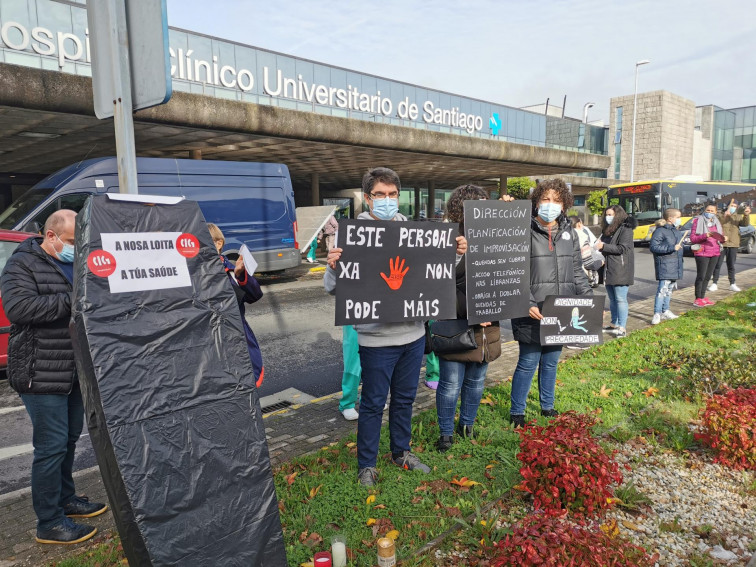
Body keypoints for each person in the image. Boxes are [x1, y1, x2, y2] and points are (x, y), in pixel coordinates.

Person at [324, 167, 467, 486]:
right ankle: (367, 464)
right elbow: (332, 287)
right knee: (374, 403)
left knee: (405, 399)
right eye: (380, 195)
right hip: (375, 339)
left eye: (392, 195)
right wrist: (333, 266)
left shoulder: (415, 233)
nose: (387, 200)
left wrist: (454, 256)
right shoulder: (352, 236)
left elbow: (435, 277)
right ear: (367, 198)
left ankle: (401, 452)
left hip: (413, 335)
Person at [0, 210, 107, 545]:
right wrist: (75, 300)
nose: (77, 247)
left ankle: (66, 498)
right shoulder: (22, 264)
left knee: (69, 439)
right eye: (73, 241)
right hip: (39, 370)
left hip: (73, 367)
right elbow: (19, 309)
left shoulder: (75, 262)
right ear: (51, 236)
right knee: (50, 447)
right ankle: (49, 523)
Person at [509, 180, 592, 428]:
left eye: (556, 200)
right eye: (545, 199)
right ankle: (517, 412)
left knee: (552, 361)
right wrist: (526, 302)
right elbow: (514, 271)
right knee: (528, 362)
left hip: (561, 309)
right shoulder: (521, 230)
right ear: (536, 202)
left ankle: (547, 407)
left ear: (564, 204)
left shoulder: (570, 233)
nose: (550, 205)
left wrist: (588, 299)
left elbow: (577, 270)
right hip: (532, 310)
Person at [435, 184, 501, 452]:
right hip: (455, 327)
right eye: (473, 206)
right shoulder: (449, 241)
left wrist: (510, 211)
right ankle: (446, 433)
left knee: (476, 381)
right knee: (450, 383)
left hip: (487, 328)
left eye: (485, 205)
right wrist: (474, 311)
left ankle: (467, 425)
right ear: (459, 210)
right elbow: (440, 285)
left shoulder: (498, 236)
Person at [208, 223, 264, 387]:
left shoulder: (231, 271)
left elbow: (255, 295)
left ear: (218, 243)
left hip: (236, 340)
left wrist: (240, 274)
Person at [595, 205, 635, 337]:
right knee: (612, 299)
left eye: (611, 214)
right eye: (607, 214)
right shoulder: (608, 229)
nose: (608, 217)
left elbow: (623, 248)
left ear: (618, 215)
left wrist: (604, 246)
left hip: (620, 269)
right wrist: (600, 247)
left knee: (620, 299)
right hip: (608, 268)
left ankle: (622, 327)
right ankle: (614, 323)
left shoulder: (626, 229)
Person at [649, 209, 683, 325]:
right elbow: (654, 247)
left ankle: (666, 311)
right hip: (665, 265)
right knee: (662, 290)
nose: (679, 219)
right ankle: (657, 313)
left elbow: (679, 248)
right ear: (670, 218)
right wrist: (672, 248)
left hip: (675, 265)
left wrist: (691, 249)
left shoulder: (676, 231)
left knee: (669, 291)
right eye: (678, 217)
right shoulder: (660, 231)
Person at [710, 199, 751, 293]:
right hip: (721, 243)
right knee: (717, 264)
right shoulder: (720, 214)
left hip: (733, 243)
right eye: (732, 206)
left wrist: (746, 214)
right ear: (728, 205)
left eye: (735, 206)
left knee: (731, 265)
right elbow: (716, 223)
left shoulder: (738, 216)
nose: (733, 208)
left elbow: (745, 224)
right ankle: (714, 283)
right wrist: (724, 216)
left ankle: (732, 283)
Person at [690, 203, 724, 307]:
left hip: (715, 252)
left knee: (708, 276)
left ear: (715, 212)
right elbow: (693, 238)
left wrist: (723, 239)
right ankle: (697, 298)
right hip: (702, 252)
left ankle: (703, 297)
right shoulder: (697, 221)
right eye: (708, 210)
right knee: (701, 276)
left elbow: (720, 238)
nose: (709, 213)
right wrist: (706, 235)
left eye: (712, 211)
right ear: (704, 210)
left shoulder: (717, 222)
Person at [569, 216, 602, 288]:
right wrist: (601, 262)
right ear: (579, 224)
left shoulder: (564, 236)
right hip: (579, 276)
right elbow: (588, 264)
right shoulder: (582, 237)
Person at [338, 324, 361, 420]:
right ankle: (347, 404)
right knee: (353, 362)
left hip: (376, 320)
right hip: (355, 318)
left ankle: (370, 399)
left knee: (376, 362)